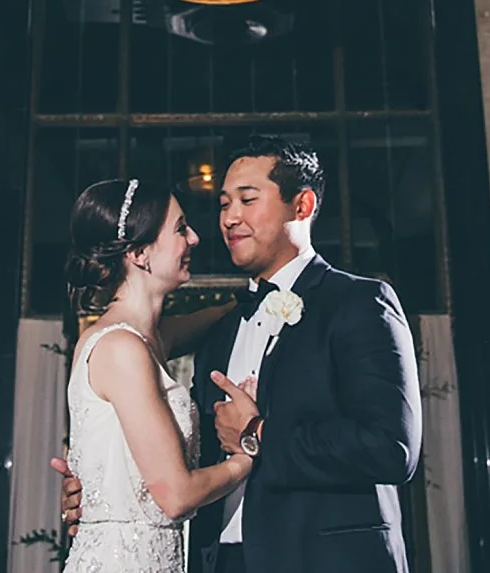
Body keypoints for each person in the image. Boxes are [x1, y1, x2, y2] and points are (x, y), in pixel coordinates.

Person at [55, 136, 423, 573]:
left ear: (301, 206)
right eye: (224, 203)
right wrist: (102, 490)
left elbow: (391, 449)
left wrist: (258, 433)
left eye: (247, 200)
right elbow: (180, 457)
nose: (228, 218)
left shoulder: (359, 303)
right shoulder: (220, 329)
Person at [55, 176, 250, 573]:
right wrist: (245, 456)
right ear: (141, 253)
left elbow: (208, 319)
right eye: (180, 229)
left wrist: (262, 295)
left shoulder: (150, 340)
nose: (194, 238)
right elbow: (176, 495)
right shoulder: (121, 349)